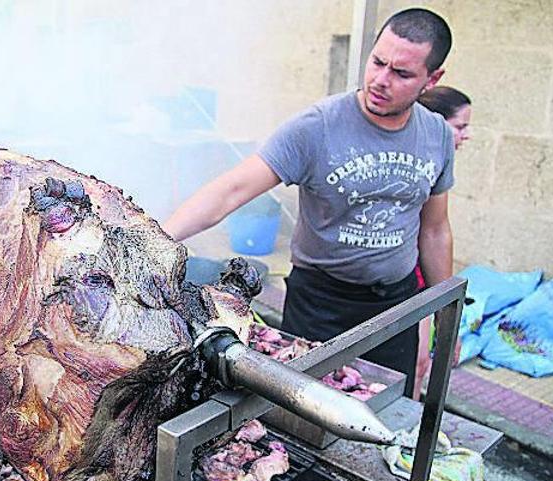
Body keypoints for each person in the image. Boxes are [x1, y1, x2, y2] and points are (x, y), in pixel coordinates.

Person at [163, 8, 456, 397]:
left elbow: (435, 230)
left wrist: (448, 315)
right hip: (320, 306)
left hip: (394, 308)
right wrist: (153, 242)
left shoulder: (437, 135)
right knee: (301, 419)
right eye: (377, 62)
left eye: (401, 73)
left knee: (389, 410)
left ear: (431, 79)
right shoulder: (317, 127)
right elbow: (230, 191)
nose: (380, 80)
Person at [411, 85, 472, 397]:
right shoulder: (411, 165)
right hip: (403, 284)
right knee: (415, 363)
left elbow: (436, 233)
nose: (466, 135)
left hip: (422, 283)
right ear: (435, 122)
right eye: (460, 126)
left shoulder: (437, 166)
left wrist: (448, 313)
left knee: (420, 364)